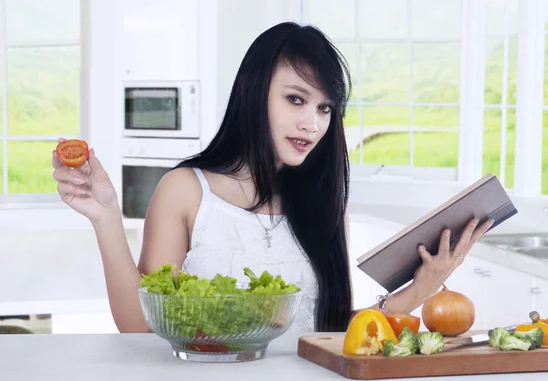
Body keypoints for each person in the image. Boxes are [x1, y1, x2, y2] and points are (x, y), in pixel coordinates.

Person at [51, 22, 493, 334]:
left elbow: (329, 334)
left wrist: (421, 288)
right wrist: (106, 216)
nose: (312, 124)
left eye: (324, 108)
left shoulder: (325, 202)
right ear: (252, 91)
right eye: (296, 99)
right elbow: (142, 325)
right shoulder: (186, 191)